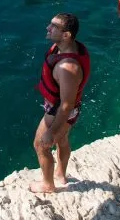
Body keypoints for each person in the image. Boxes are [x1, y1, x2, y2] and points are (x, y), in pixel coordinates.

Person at [31, 13, 90, 194]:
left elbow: (66, 105)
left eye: (54, 26)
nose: (48, 28)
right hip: (68, 109)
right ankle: (60, 174)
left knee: (41, 145)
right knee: (62, 140)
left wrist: (51, 131)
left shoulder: (67, 67)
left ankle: (48, 185)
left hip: (60, 111)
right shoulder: (63, 48)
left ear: (66, 35)